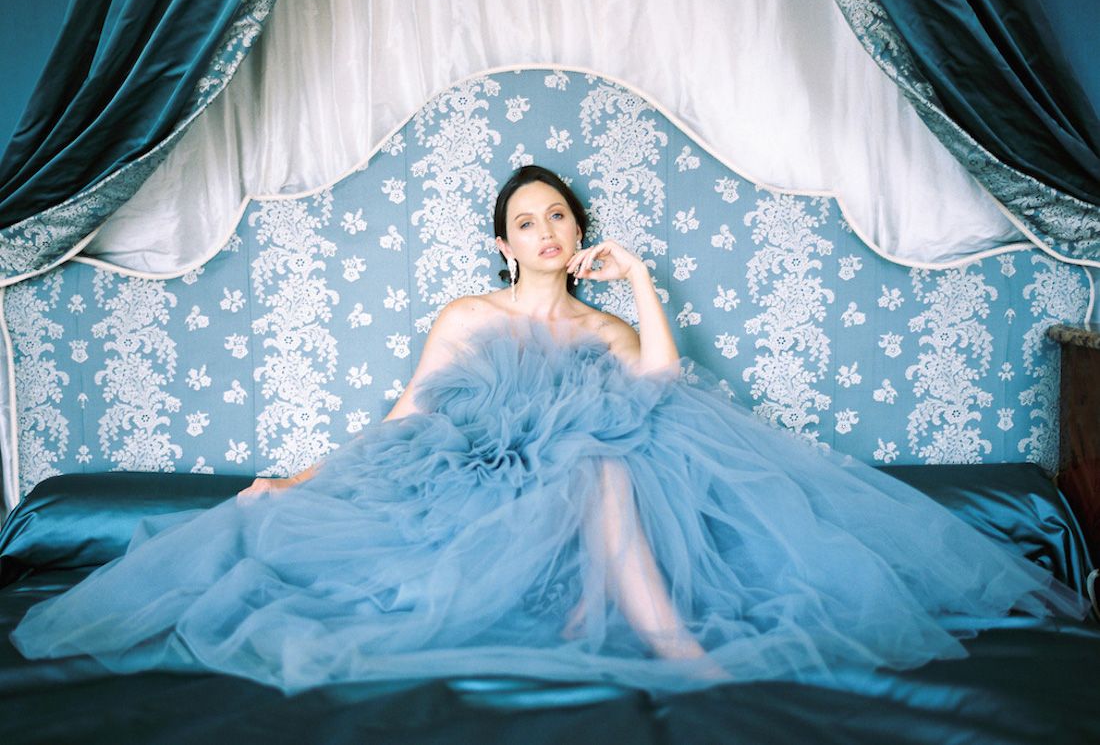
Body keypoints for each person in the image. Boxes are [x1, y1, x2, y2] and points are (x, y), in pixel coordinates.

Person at [11, 166, 1089, 695]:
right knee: (587, 466)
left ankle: (652, 631)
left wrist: (640, 279)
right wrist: (298, 480)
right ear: (502, 241)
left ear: (578, 234)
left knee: (613, 455)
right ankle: (640, 632)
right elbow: (406, 414)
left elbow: (661, 383)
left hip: (585, 488)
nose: (543, 231)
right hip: (467, 491)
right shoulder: (467, 315)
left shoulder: (602, 325)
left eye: (558, 217)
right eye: (524, 221)